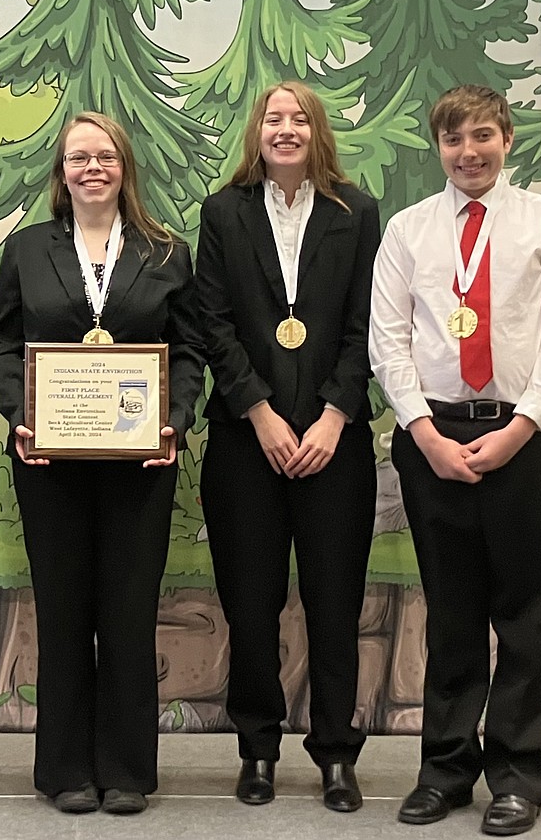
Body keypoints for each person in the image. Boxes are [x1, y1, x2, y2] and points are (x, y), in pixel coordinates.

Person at [369, 85, 541, 837]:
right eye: (455, 139)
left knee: (526, 611)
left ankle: (521, 775)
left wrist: (520, 428)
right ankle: (446, 769)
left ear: (508, 139)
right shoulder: (408, 230)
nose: (469, 152)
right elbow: (387, 341)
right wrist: (426, 433)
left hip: (522, 438)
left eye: (483, 137)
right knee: (453, 613)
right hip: (433, 436)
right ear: (438, 147)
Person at [0, 112, 205, 815]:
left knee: (131, 611)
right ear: (62, 172)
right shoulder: (26, 250)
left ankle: (129, 769)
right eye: (79, 157)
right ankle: (66, 770)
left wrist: (172, 422)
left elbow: (191, 353)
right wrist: (21, 413)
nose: (92, 168)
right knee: (65, 609)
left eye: (104, 156)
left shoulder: (167, 252)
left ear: (123, 167)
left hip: (141, 463)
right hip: (51, 463)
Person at [195, 81, 380, 813]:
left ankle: (336, 754)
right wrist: (262, 414)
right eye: (274, 117)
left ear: (317, 130)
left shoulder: (356, 213)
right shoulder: (223, 212)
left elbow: (371, 322)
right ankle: (259, 749)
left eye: (299, 117)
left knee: (336, 605)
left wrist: (334, 415)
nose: (286, 128)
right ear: (257, 130)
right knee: (251, 603)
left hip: (338, 443)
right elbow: (213, 322)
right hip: (249, 445)